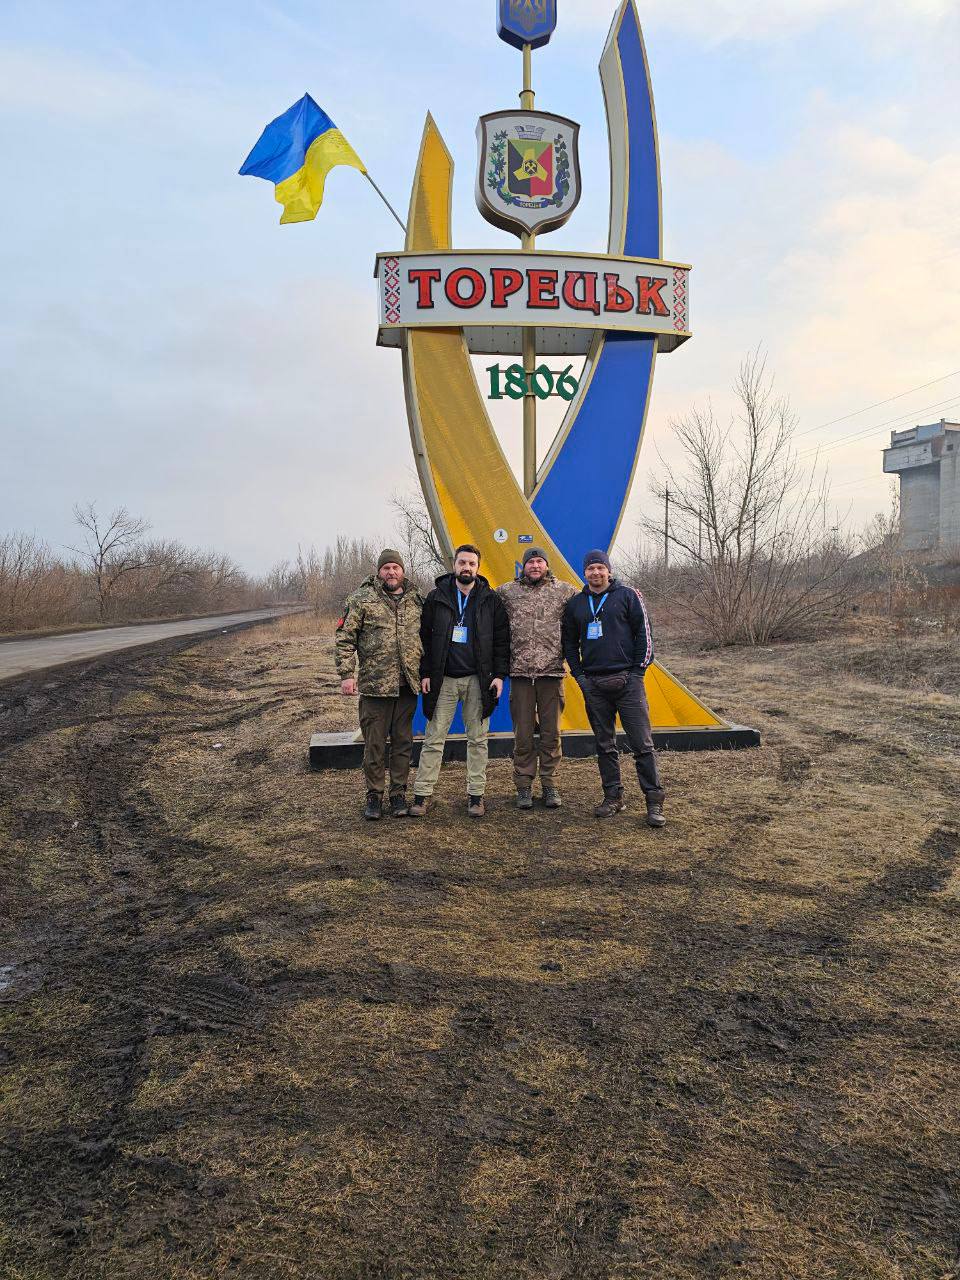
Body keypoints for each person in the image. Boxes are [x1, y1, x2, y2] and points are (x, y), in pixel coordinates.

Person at [561, 549, 666, 827]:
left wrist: (637, 673)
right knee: (604, 745)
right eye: (590, 568)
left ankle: (654, 800)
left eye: (600, 567)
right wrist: (580, 677)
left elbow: (644, 635)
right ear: (584, 572)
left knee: (642, 744)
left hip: (628, 682)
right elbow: (569, 644)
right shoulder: (576, 604)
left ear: (608, 570)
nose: (596, 572)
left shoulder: (629, 596)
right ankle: (613, 797)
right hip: (594, 684)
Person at [409, 544, 510, 819]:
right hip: (443, 680)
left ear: (478, 567)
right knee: (433, 738)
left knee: (477, 740)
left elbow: (502, 642)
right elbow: (423, 639)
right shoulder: (436, 597)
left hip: (479, 680)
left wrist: (499, 676)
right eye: (462, 562)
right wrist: (425, 672)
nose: (467, 567)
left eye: (472, 563)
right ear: (454, 564)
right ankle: (422, 795)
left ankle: (476, 796)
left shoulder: (491, 600)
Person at [335, 549, 424, 820]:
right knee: (374, 745)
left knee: (403, 743)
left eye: (396, 567)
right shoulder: (361, 599)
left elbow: (428, 638)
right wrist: (347, 674)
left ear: (403, 571)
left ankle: (398, 794)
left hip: (407, 686)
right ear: (379, 572)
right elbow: (345, 638)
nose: (391, 572)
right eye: (386, 568)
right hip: (375, 687)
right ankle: (374, 795)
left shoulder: (416, 599)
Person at [497, 546, 577, 810]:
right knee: (522, 735)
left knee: (551, 735)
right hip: (520, 675)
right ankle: (523, 786)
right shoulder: (507, 592)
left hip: (551, 675)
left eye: (539, 561)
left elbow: (590, 606)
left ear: (546, 565)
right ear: (523, 566)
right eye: (530, 562)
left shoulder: (564, 591)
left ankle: (550, 784)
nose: (535, 566)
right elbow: (482, 605)